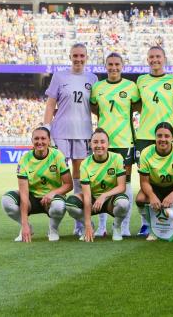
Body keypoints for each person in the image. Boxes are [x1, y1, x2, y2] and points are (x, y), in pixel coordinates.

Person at [43, 43, 98, 236]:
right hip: (61, 132)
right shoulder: (59, 76)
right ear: (70, 56)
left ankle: (79, 224)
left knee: (79, 178)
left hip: (83, 132)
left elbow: (95, 106)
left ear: (86, 57)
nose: (78, 59)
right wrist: (46, 128)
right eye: (75, 55)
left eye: (82, 56)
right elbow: (50, 105)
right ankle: (53, 224)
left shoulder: (93, 78)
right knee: (56, 176)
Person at [90, 52, 140, 236]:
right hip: (103, 142)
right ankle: (102, 226)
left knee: (125, 182)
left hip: (125, 141)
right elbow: (94, 108)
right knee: (101, 183)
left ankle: (124, 225)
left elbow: (136, 107)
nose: (113, 67)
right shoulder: (97, 88)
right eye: (110, 64)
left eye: (117, 64)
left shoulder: (131, 87)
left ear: (122, 65)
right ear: (105, 66)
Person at [134, 46, 173, 236]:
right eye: (151, 57)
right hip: (145, 135)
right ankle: (147, 223)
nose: (155, 60)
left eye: (158, 57)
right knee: (145, 180)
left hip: (169, 135)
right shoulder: (141, 80)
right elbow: (138, 105)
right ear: (147, 60)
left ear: (164, 59)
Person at [1, 126, 72, 242]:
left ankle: (53, 229)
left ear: (49, 141)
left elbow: (69, 184)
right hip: (31, 198)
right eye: (36, 139)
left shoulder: (57, 155)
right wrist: (24, 224)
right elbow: (24, 195)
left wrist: (52, 193)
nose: (40, 142)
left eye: (43, 139)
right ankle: (27, 227)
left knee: (59, 207)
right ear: (32, 140)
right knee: (6, 201)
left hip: (51, 199)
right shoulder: (25, 159)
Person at [65, 128, 129, 242]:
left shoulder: (117, 158)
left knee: (123, 203)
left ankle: (117, 227)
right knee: (70, 204)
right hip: (93, 200)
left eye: (102, 142)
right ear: (90, 144)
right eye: (95, 142)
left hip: (110, 200)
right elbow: (87, 196)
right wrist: (87, 223)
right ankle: (89, 228)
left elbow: (122, 187)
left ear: (108, 144)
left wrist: (104, 195)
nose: (99, 145)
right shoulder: (85, 164)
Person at [135, 122, 173, 242]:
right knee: (140, 198)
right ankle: (153, 228)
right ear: (155, 137)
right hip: (154, 186)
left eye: (167, 136)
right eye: (159, 136)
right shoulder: (146, 153)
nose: (163, 139)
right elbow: (144, 182)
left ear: (172, 137)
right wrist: (151, 196)